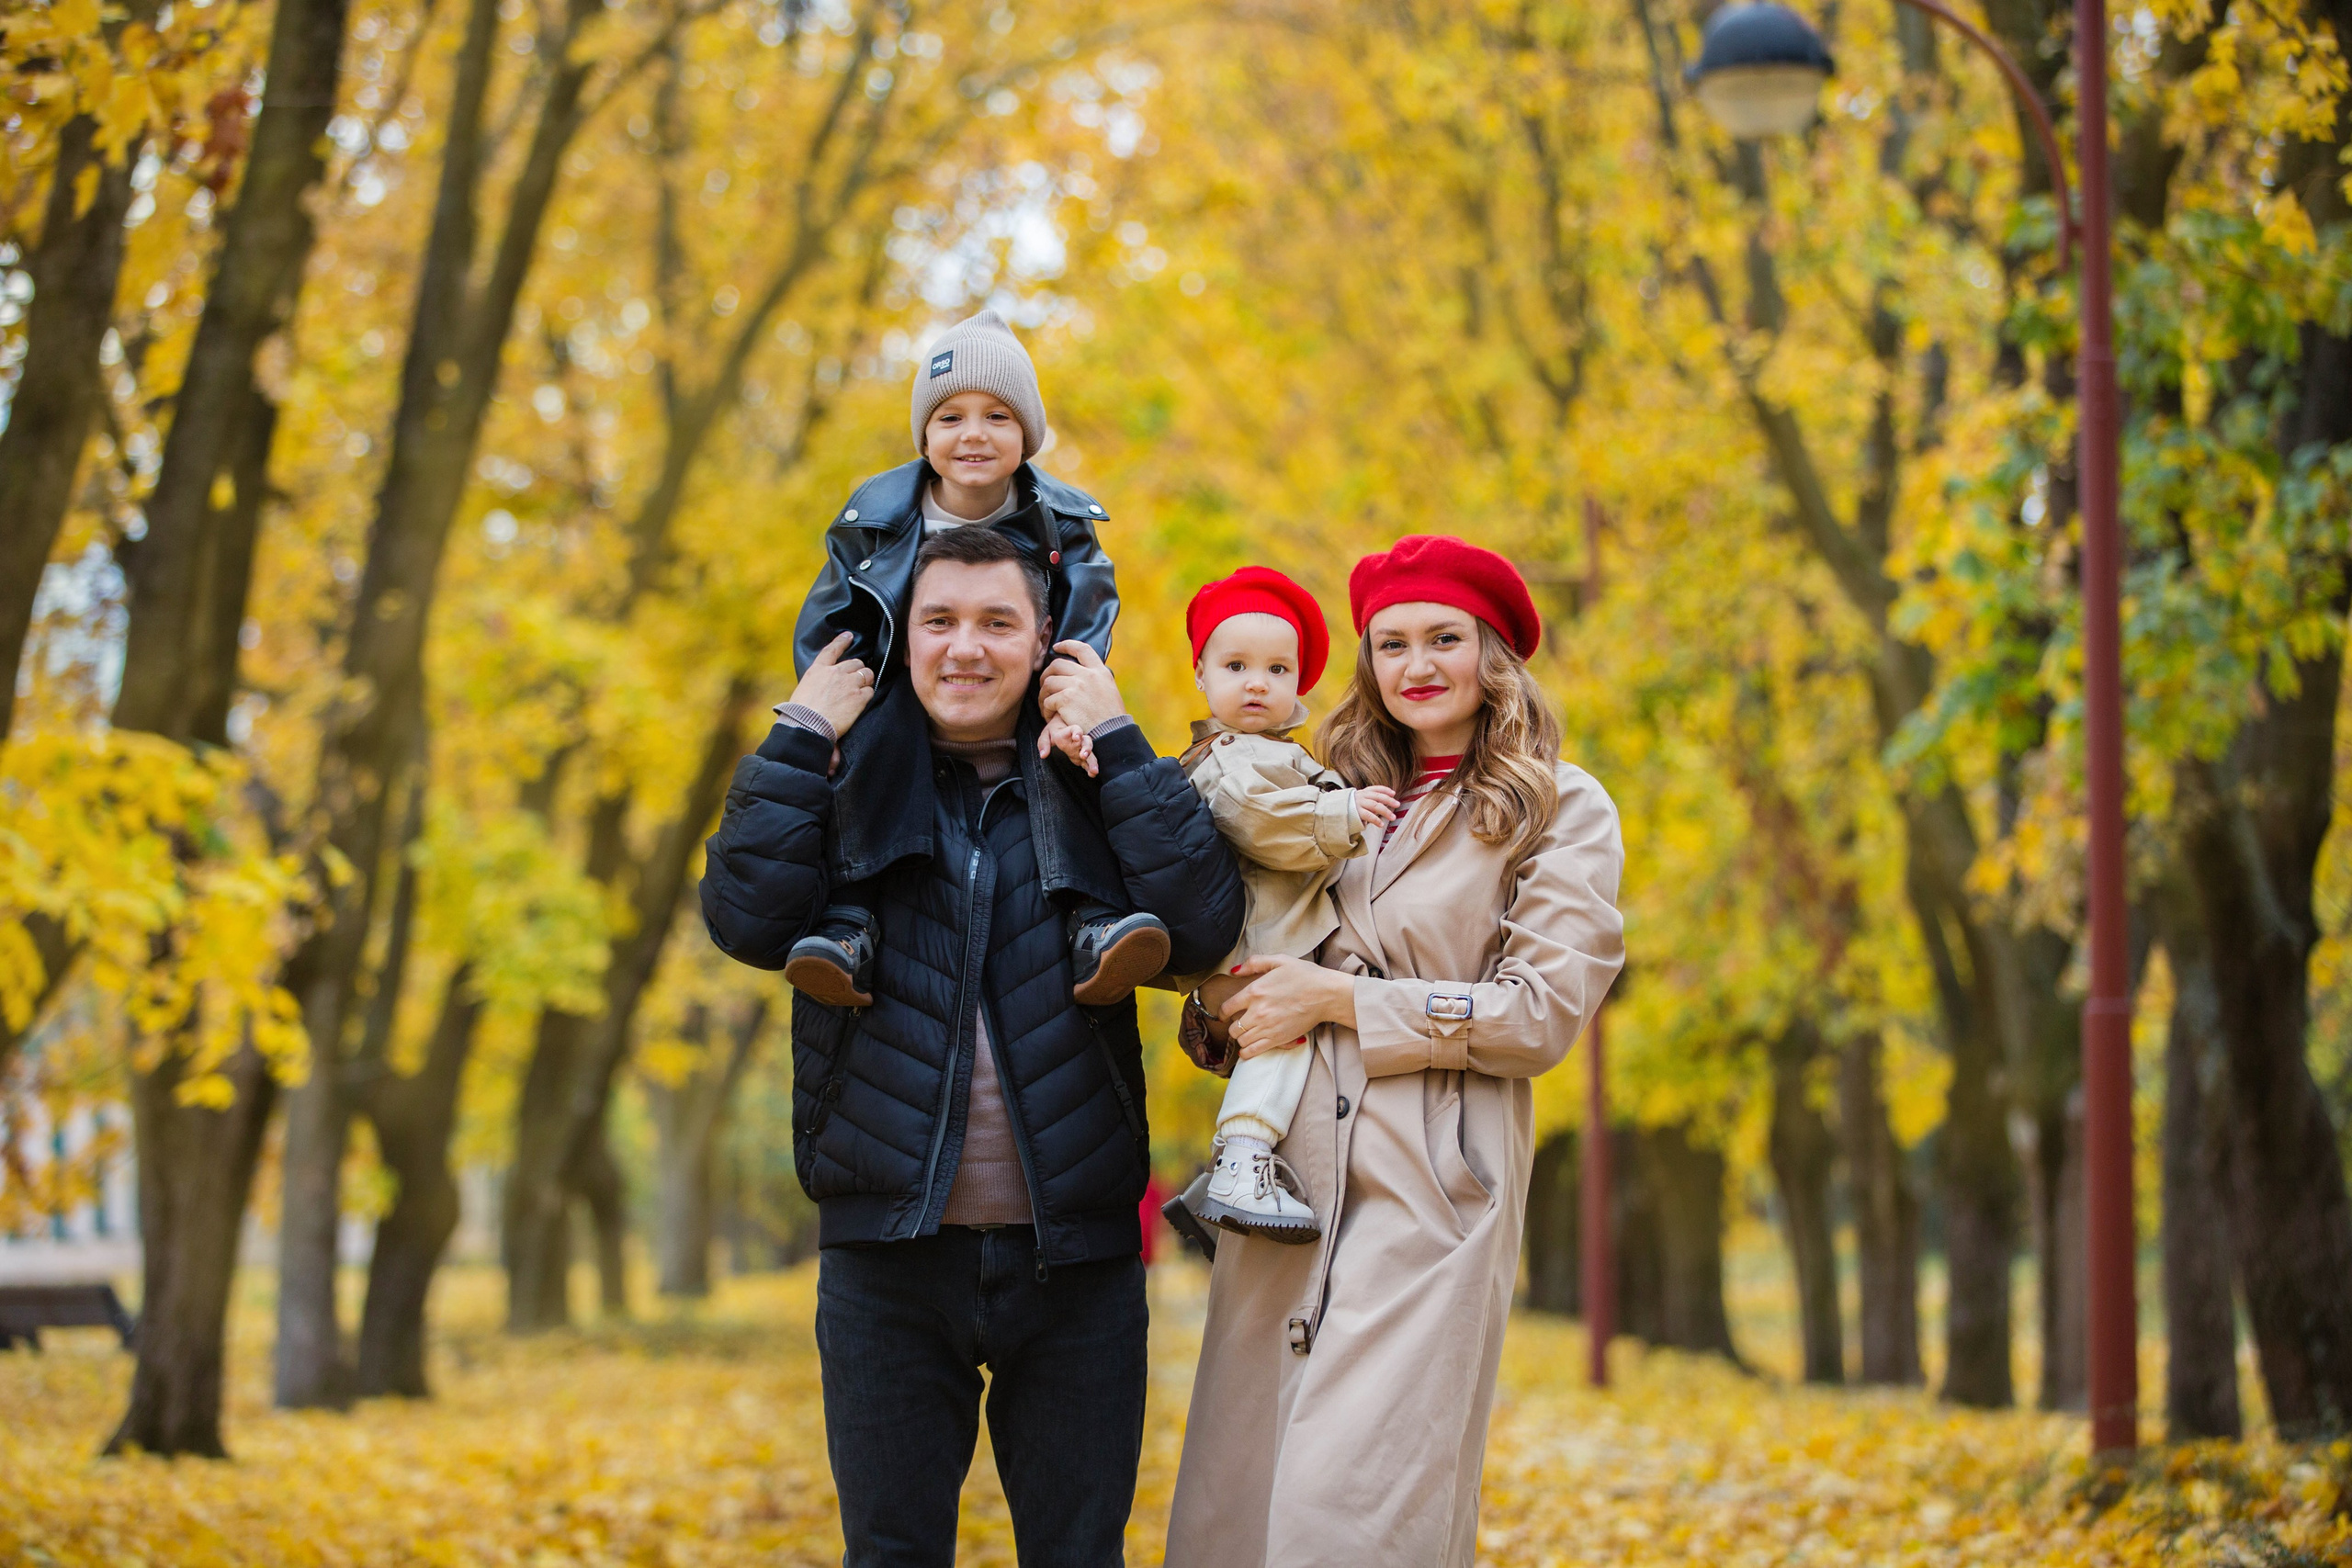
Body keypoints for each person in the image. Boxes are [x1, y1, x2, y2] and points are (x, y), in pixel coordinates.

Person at [700, 524, 1244, 1568]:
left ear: (1044, 641)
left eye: (998, 622)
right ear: (903, 639)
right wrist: (800, 735)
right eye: (940, 621)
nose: (965, 647)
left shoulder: (1096, 782)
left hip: (1076, 1263)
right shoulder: (840, 777)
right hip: (885, 1264)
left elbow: (1208, 922)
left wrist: (1124, 745)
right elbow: (745, 919)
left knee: (1080, 1555)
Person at [1163, 535, 1625, 1568]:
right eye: (1390, 643)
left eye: (1444, 639)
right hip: (1288, 1186)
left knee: (1352, 1519)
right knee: (1240, 1516)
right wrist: (1230, 1005)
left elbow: (1539, 1014)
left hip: (1433, 1189)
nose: (1417, 664)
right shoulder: (1328, 801)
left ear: (1491, 653)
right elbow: (1256, 945)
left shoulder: (1559, 806)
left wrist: (1339, 1000)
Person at [781, 308, 1170, 1011]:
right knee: (874, 752)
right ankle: (850, 923)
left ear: (1027, 434)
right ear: (924, 435)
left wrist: (1067, 701)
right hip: (905, 681)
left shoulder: (1060, 519)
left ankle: (1091, 918)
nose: (973, 435)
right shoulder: (875, 516)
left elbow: (1090, 607)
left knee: (1064, 757)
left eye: (997, 416)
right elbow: (832, 615)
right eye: (950, 417)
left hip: (1019, 687)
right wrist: (826, 711)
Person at [1167, 567, 1398, 1242]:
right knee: (1282, 1046)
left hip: (1267, 938)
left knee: (1288, 1052)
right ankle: (1239, 1164)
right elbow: (1257, 817)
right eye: (1236, 664)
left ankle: (1224, 1184)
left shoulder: (1277, 753)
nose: (1257, 681)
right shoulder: (1231, 757)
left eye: (1277, 667)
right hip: (1254, 942)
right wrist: (1342, 813)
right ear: (1202, 674)